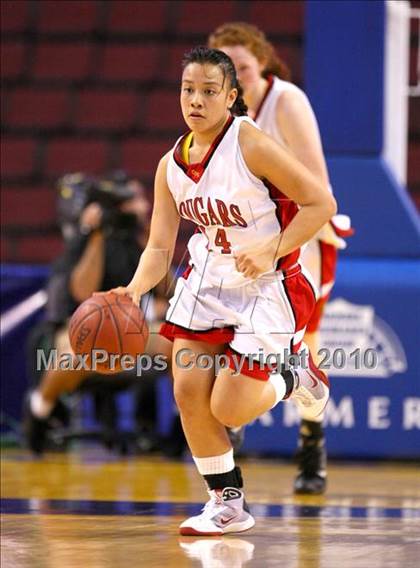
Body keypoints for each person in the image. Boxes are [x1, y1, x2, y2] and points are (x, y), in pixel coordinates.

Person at [108, 46, 336, 536]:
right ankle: (227, 504)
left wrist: (274, 247)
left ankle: (298, 379)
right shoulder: (170, 164)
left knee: (229, 407)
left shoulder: (250, 143)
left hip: (267, 284)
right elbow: (159, 248)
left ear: (231, 97)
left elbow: (320, 203)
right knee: (189, 389)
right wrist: (133, 290)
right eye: (188, 89)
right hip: (207, 280)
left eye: (209, 91)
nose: (195, 99)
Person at [209, 22, 353, 494]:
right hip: (241, 244)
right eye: (231, 70)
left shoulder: (286, 102)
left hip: (299, 236)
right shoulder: (214, 109)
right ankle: (230, 432)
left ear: (263, 63)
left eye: (246, 68)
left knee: (299, 348)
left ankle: (312, 441)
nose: (240, 78)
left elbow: (319, 186)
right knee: (222, 335)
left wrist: (276, 246)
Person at [24, 172, 171, 454]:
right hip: (79, 325)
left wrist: (151, 239)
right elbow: (82, 292)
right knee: (72, 356)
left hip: (130, 328)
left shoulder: (136, 244)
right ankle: (39, 409)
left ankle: (183, 424)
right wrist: (96, 234)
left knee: (177, 344)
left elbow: (170, 292)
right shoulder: (83, 240)